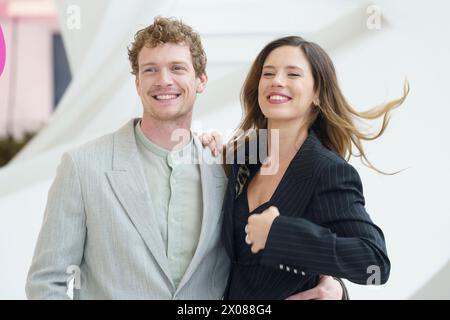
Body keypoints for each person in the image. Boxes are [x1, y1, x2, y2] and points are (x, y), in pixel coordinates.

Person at [25, 18, 344, 299]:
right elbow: (46, 283)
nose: (163, 80)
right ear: (137, 83)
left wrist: (334, 287)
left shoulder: (228, 167)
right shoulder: (83, 167)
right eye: (150, 70)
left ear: (201, 80)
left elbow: (260, 258)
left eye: (177, 68)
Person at [216, 36, 408, 299]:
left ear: (317, 94)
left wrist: (280, 236)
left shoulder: (327, 171)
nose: (277, 81)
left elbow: (374, 263)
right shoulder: (243, 159)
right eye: (268, 73)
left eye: (293, 74)